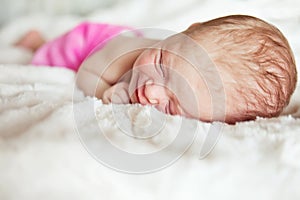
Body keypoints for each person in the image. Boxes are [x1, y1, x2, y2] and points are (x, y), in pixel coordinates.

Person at [15, 15, 297, 124]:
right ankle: (38, 41)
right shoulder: (124, 56)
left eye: (173, 106)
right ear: (188, 30)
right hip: (91, 46)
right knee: (53, 54)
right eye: (161, 64)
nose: (150, 90)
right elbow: (87, 71)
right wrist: (105, 91)